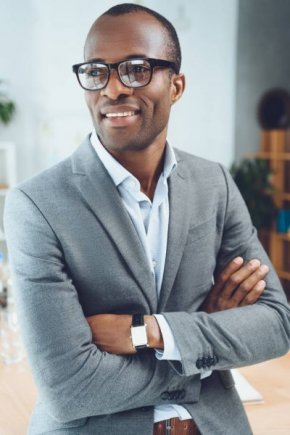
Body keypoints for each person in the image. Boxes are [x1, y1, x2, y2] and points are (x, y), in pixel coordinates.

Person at [4, 4, 290, 435]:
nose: (113, 89)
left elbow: (276, 325)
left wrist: (151, 332)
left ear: (176, 86)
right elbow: (70, 388)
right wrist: (203, 340)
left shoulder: (214, 183)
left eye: (136, 69)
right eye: (97, 71)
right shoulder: (36, 204)